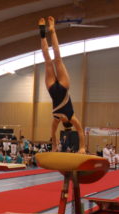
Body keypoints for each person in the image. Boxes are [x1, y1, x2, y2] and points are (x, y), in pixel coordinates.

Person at [39, 16, 85, 153]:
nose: (64, 118)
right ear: (65, 123)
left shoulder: (64, 118)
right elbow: (79, 132)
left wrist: (55, 146)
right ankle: (48, 33)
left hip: (58, 87)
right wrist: (82, 148)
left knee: (53, 59)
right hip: (57, 88)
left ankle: (48, 32)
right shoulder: (64, 117)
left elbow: (54, 134)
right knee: (52, 59)